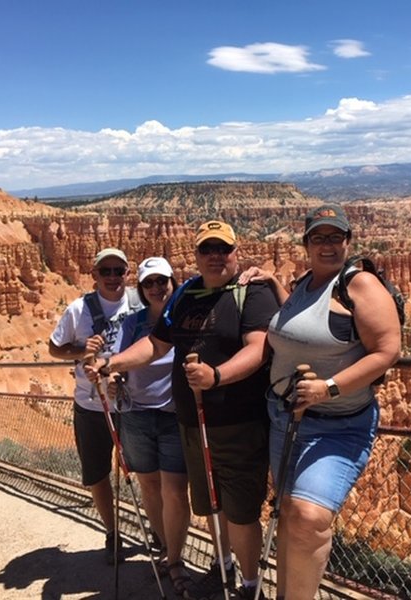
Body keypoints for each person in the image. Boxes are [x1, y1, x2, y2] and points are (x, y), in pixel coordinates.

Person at [86, 220, 279, 600]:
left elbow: (259, 348)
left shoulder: (251, 293)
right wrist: (113, 363)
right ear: (196, 256)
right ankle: (221, 567)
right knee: (210, 505)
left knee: (240, 512)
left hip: (238, 423)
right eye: (207, 249)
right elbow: (156, 345)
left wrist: (216, 376)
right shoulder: (187, 292)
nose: (215, 256)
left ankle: (249, 586)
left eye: (223, 249)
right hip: (192, 422)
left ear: (236, 252)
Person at [241, 204, 402, 600]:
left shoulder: (359, 284)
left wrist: (328, 387)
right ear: (307, 243)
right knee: (289, 514)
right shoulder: (305, 283)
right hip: (284, 419)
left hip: (337, 424)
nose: (327, 245)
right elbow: (298, 320)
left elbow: (387, 350)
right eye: (319, 237)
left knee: (309, 517)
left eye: (335, 237)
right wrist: (273, 283)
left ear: (348, 241)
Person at [48, 247, 141, 564]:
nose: (113, 277)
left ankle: (155, 525)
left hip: (132, 403)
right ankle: (113, 532)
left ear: (128, 274)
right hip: (92, 404)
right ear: (95, 276)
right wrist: (80, 349)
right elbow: (54, 348)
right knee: (99, 474)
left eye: (119, 271)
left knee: (144, 471)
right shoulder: (78, 309)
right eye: (106, 271)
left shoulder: (139, 302)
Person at [113, 256, 191, 595]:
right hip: (136, 414)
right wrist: (112, 375)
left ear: (173, 282)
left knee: (175, 490)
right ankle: (163, 544)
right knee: (149, 487)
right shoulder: (133, 324)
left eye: (162, 281)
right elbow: (121, 360)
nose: (157, 288)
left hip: (175, 415)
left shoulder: (186, 319)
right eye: (149, 283)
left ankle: (175, 559)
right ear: (142, 290)